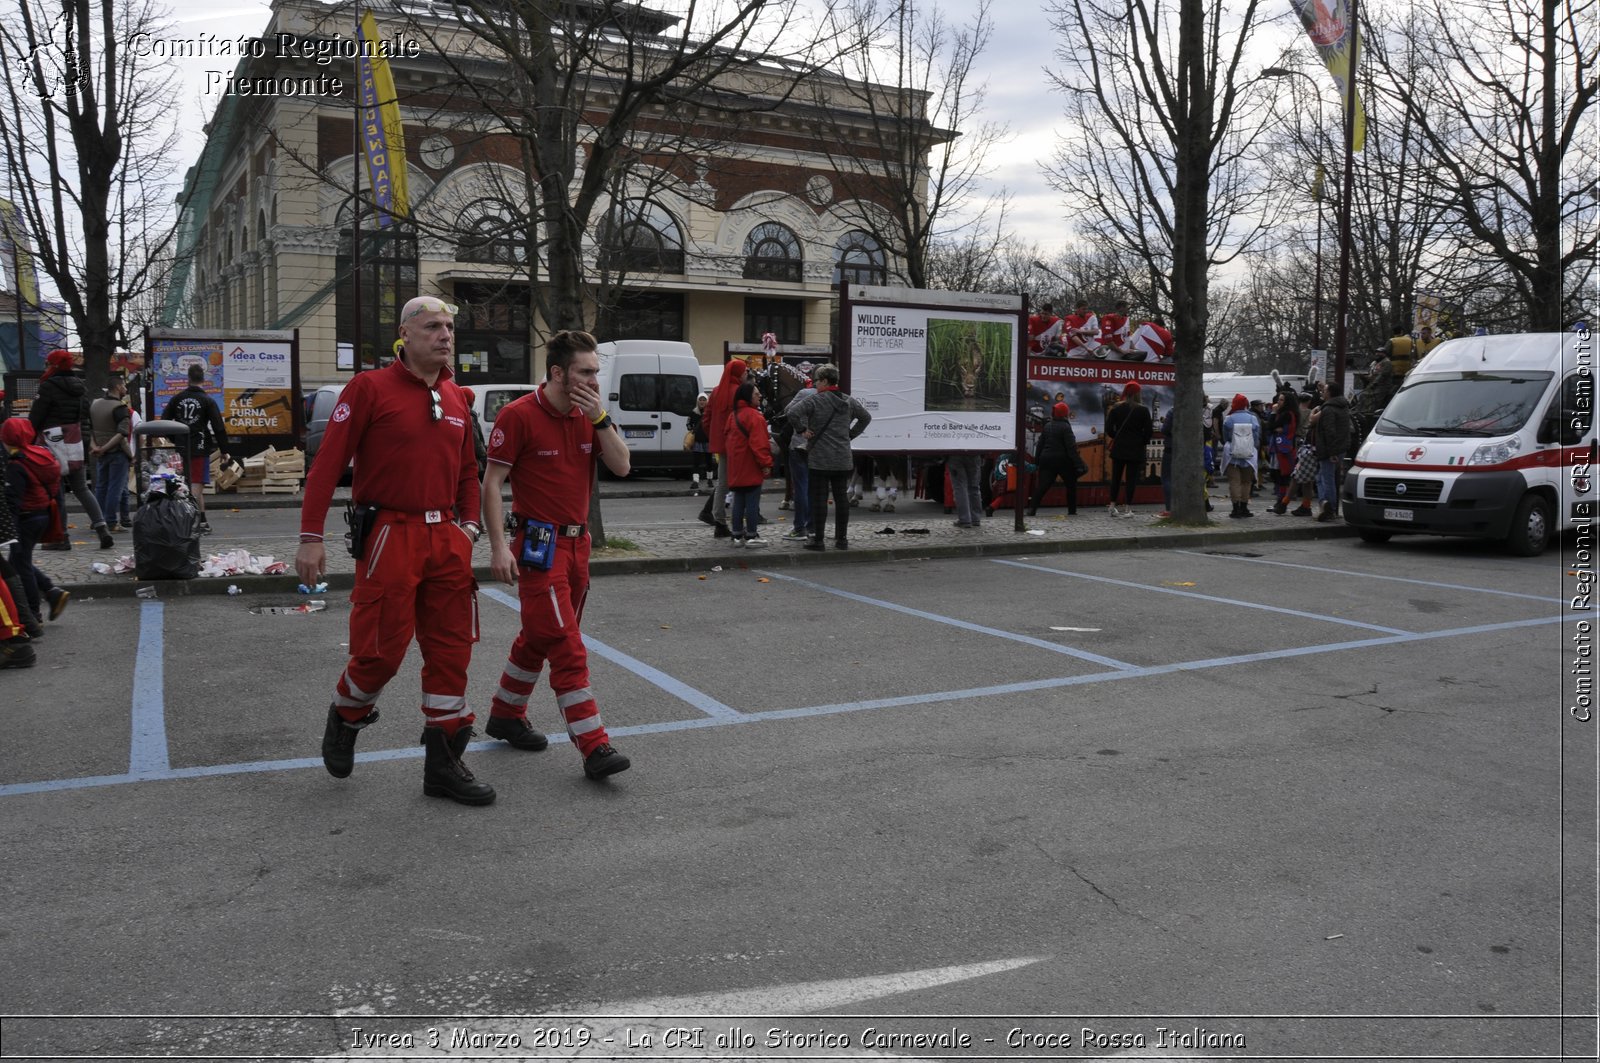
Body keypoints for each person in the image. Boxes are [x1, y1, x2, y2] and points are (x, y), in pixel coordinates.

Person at [296, 296, 492, 806]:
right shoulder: (368, 389)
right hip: (389, 536)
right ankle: (347, 715)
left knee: (452, 650)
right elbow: (326, 465)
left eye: (449, 326)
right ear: (404, 335)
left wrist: (469, 527)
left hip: (446, 539)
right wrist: (310, 537)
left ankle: (443, 764)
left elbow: (469, 472)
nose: (445, 335)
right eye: (432, 327)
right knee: (379, 652)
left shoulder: (457, 398)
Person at [483, 330, 634, 781]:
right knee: (568, 647)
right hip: (538, 548)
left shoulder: (592, 415)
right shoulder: (518, 416)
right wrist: (495, 546)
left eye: (595, 372)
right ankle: (593, 746)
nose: (593, 380)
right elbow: (490, 484)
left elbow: (623, 466)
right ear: (557, 373)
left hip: (578, 545)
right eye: (585, 372)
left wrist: (601, 418)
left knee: (540, 637)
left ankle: (506, 714)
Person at [30, 348, 113, 550]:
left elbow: (36, 417)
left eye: (49, 363)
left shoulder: (47, 387)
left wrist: (30, 439)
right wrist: (85, 440)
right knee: (82, 489)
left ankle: (61, 537)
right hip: (75, 442)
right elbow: (84, 416)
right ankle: (103, 530)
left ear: (55, 365)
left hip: (52, 444)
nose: (46, 367)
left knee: (57, 491)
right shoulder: (79, 387)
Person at [786, 364, 871, 551]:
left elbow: (791, 412)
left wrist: (802, 430)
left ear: (825, 381)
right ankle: (842, 540)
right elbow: (866, 417)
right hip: (842, 457)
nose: (815, 384)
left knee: (819, 499)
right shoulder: (849, 401)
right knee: (841, 499)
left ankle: (818, 540)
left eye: (817, 380)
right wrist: (850, 435)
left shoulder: (815, 401)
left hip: (819, 458)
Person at [3, 417, 70, 622]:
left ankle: (33, 612)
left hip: (25, 519)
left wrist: (10, 533)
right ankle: (51, 592)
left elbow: (13, 502)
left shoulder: (17, 464)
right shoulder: (41, 454)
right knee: (18, 562)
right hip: (41, 514)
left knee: (20, 565)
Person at [161, 363, 231, 535]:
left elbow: (165, 421)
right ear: (203, 379)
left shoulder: (177, 399)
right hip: (199, 446)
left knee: (188, 484)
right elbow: (218, 426)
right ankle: (189, 521)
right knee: (196, 485)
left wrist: (174, 438)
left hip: (181, 448)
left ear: (188, 378)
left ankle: (202, 521)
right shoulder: (207, 400)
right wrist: (224, 450)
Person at [699, 359, 750, 537]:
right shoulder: (740, 392)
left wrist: (715, 436)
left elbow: (706, 419)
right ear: (738, 374)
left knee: (722, 483)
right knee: (743, 483)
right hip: (738, 444)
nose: (746, 374)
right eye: (744, 372)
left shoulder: (716, 391)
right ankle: (740, 522)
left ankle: (719, 519)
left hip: (721, 444)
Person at [723, 381, 773, 546]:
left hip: (736, 465)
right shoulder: (755, 416)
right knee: (752, 502)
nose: (759, 396)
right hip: (750, 464)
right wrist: (766, 464)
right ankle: (751, 534)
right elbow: (760, 444)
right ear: (747, 396)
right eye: (756, 393)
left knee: (738, 501)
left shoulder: (733, 415)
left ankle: (736, 534)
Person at [89, 375, 132, 534]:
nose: (126, 390)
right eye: (124, 387)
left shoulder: (94, 404)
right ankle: (111, 522)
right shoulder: (120, 408)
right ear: (119, 387)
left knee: (101, 487)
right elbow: (121, 434)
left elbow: (89, 430)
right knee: (115, 488)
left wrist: (96, 447)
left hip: (99, 452)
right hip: (116, 453)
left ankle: (97, 520)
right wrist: (130, 454)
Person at [1102, 382, 1152, 517]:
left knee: (1116, 478)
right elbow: (1148, 432)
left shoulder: (1116, 409)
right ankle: (1128, 508)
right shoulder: (1143, 410)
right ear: (1138, 394)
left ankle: (1112, 506)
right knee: (1131, 479)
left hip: (1119, 448)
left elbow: (1109, 429)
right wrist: (1141, 441)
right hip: (1135, 449)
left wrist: (1117, 437)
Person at [1027, 402, 1083, 517]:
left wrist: (1037, 462)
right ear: (1065, 414)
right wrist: (1079, 464)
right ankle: (1072, 511)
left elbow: (1040, 445)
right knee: (1071, 485)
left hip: (1046, 460)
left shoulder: (1047, 426)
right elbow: (1071, 448)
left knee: (1042, 486)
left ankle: (1032, 509)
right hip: (1063, 461)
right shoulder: (1066, 427)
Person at [780, 378, 815, 541]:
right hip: (820, 448)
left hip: (800, 444)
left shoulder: (805, 393)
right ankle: (813, 527)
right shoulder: (835, 396)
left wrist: (801, 429)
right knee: (816, 489)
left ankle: (800, 527)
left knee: (801, 487)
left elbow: (788, 410)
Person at [1312, 379, 1352, 522]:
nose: (1323, 392)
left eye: (1325, 390)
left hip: (1330, 449)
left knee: (1325, 478)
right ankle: (1327, 505)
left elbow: (1329, 431)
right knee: (1324, 477)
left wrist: (1332, 452)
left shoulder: (1328, 409)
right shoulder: (1343, 407)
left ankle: (1328, 506)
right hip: (1340, 447)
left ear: (1330, 393)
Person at [1221, 393, 1259, 518]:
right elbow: (1257, 437)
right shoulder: (1253, 418)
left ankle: (1235, 508)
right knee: (1246, 482)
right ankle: (1244, 507)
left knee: (1234, 482)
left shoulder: (1229, 419)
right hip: (1249, 454)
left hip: (1232, 454)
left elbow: (1226, 437)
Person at [1267, 387, 1299, 513]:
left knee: (1282, 476)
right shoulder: (1286, 414)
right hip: (1278, 447)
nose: (1278, 402)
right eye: (1279, 399)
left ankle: (1282, 502)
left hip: (1282, 449)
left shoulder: (1287, 414)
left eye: (1281, 400)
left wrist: (1273, 413)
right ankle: (1280, 501)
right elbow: (1273, 428)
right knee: (1277, 475)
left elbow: (1271, 426)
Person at [459, 386, 489, 479]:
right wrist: (484, 456)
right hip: (470, 463)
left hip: (459, 462)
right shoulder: (469, 417)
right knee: (478, 491)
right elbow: (475, 441)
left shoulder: (457, 413)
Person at [686, 393, 712, 492]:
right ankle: (695, 481)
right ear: (697, 401)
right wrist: (692, 429)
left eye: (704, 400)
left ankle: (709, 479)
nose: (702, 402)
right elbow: (688, 424)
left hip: (708, 440)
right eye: (700, 400)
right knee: (696, 462)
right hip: (697, 440)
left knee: (708, 461)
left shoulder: (710, 413)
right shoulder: (693, 413)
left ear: (707, 401)